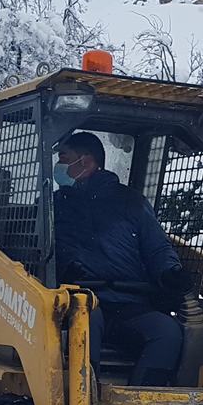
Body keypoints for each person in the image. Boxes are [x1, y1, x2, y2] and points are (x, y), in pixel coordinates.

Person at [53, 131, 189, 386]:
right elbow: (42, 250)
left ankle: (140, 398)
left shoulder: (132, 203)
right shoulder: (55, 206)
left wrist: (170, 272)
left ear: (85, 161)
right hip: (80, 300)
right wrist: (63, 270)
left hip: (129, 302)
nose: (59, 166)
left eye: (64, 158)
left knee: (167, 332)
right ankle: (83, 395)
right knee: (84, 321)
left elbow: (157, 247)